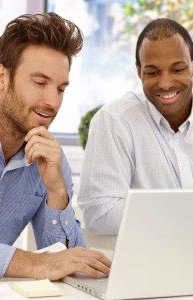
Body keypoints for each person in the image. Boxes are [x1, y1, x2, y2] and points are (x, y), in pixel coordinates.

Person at [0, 12, 111, 281]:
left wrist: (56, 191)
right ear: (1, 78)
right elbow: (48, 264)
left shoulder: (49, 158)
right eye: (40, 82)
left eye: (60, 89)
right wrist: (36, 264)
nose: (52, 102)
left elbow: (70, 260)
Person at [78, 18, 193, 235]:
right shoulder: (115, 120)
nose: (166, 83)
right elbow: (100, 213)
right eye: (152, 72)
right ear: (139, 71)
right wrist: (179, 218)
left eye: (177, 69)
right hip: (146, 264)